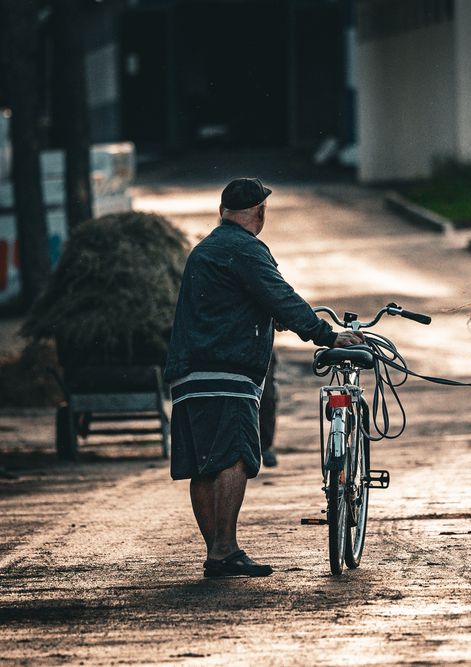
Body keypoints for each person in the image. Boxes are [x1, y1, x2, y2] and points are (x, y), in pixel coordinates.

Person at [163, 177, 363, 578]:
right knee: (233, 457)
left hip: (189, 375)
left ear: (223, 212)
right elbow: (281, 297)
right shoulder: (246, 249)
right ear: (259, 212)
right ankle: (225, 550)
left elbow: (225, 305)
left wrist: (265, 318)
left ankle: (216, 551)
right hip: (229, 373)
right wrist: (327, 334)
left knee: (202, 465)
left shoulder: (203, 252)